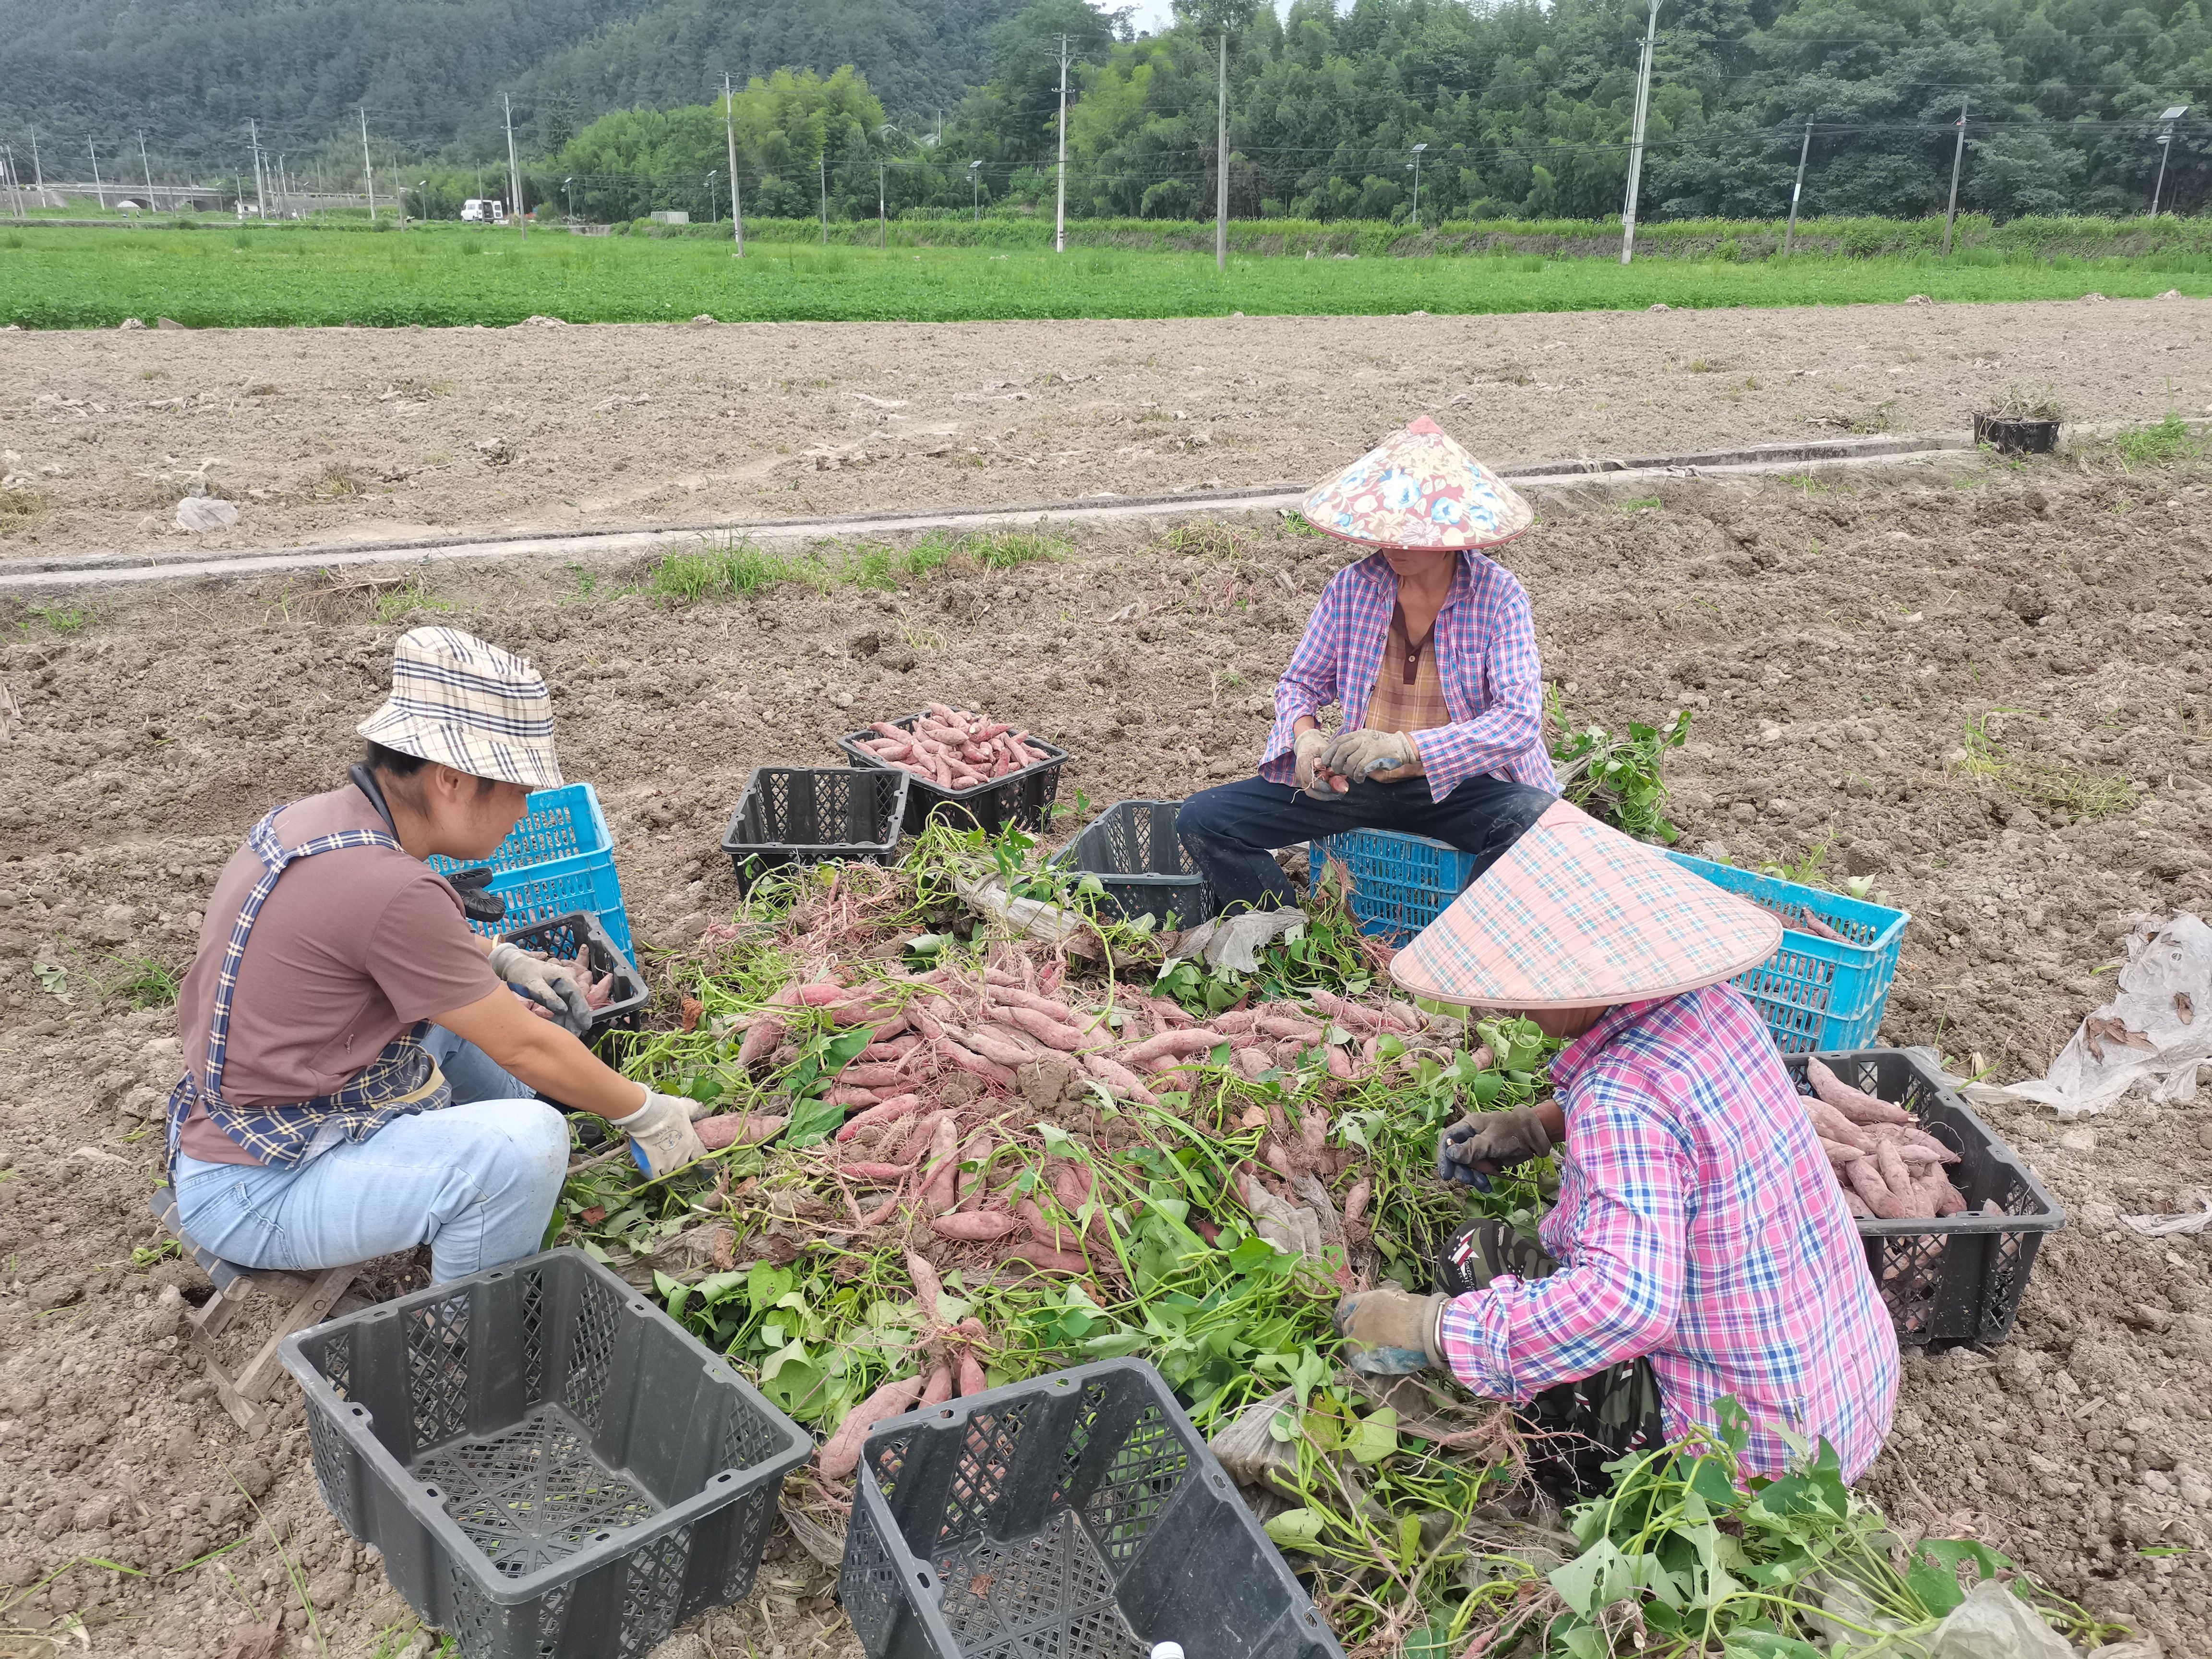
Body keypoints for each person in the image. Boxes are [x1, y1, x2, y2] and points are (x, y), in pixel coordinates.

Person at [1330, 799, 1899, 1489]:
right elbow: (1685, 1113)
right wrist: (1539, 1124)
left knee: (1473, 1256)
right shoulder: (1720, 1009)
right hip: (1841, 1405)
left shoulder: (1621, 1099)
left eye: (1520, 984)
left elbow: (1626, 1303)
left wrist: (1435, 1331)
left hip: (1743, 1457)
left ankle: (1586, 1477)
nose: (1506, 1006)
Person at [163, 626, 711, 1285]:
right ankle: (466, 1335)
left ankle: (528, 1154)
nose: (525, 809)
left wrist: (502, 958)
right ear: (451, 780)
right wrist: (647, 1112)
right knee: (526, 1147)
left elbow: (388, 945)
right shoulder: (390, 889)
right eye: (517, 789)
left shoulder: (316, 822)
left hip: (255, 1114)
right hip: (259, 1187)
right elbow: (526, 1047)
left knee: (470, 1026)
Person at [1177, 416, 1558, 914]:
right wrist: (1306, 736)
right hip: (1365, 778)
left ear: (1451, 532)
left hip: (1461, 784)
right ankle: (1281, 939)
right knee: (1204, 818)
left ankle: (1453, 956)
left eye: (1410, 533)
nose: (1393, 545)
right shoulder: (1352, 588)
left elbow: (1519, 720)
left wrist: (1410, 747)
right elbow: (1300, 684)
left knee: (1540, 823)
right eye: (1386, 531)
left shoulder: (1499, 596)